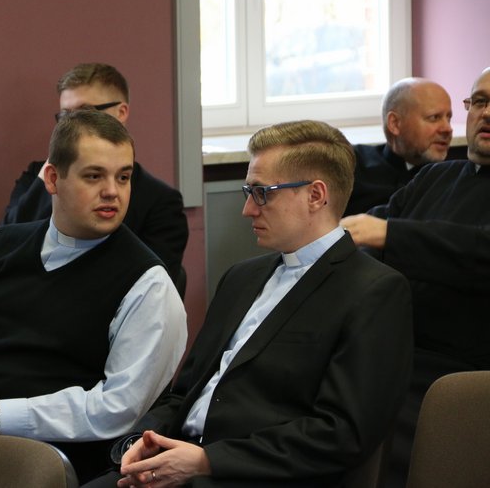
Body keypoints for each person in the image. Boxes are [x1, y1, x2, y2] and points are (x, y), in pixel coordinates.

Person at [86, 120, 413, 488]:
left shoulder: (374, 291)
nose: (247, 209)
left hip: (258, 476)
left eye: (261, 193)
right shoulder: (241, 277)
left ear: (316, 195)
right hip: (181, 460)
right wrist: (144, 440)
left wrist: (207, 461)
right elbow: (184, 393)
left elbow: (341, 432)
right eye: (248, 191)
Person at [0, 110, 187, 487]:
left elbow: (117, 407)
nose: (112, 191)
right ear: (53, 178)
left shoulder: (147, 283)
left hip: (49, 451)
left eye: (123, 177)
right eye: (94, 176)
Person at [340, 66, 490, 488]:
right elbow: (366, 232)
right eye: (479, 101)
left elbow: (478, 249)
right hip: (391, 349)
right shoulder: (435, 176)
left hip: (459, 371)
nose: (486, 113)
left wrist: (390, 234)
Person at [0, 63, 189, 291]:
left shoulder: (161, 202)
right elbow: (4, 248)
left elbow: (150, 288)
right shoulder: (38, 176)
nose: (74, 125)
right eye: (66, 116)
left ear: (121, 113)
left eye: (85, 113)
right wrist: (46, 181)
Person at [344, 77, 453, 215]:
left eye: (448, 118)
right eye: (434, 118)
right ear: (395, 123)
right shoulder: (351, 166)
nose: (447, 129)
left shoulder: (453, 178)